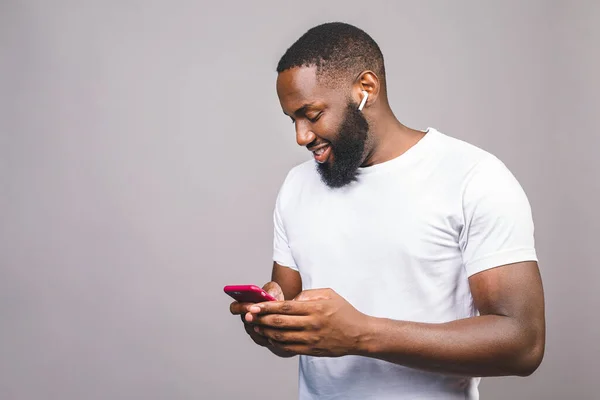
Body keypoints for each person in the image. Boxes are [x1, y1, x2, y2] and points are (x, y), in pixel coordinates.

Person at [229, 22, 545, 400]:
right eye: (292, 120)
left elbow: (523, 345)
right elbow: (297, 327)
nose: (301, 136)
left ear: (366, 88)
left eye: (311, 115)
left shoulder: (473, 178)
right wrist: (271, 325)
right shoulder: (297, 186)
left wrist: (361, 333)